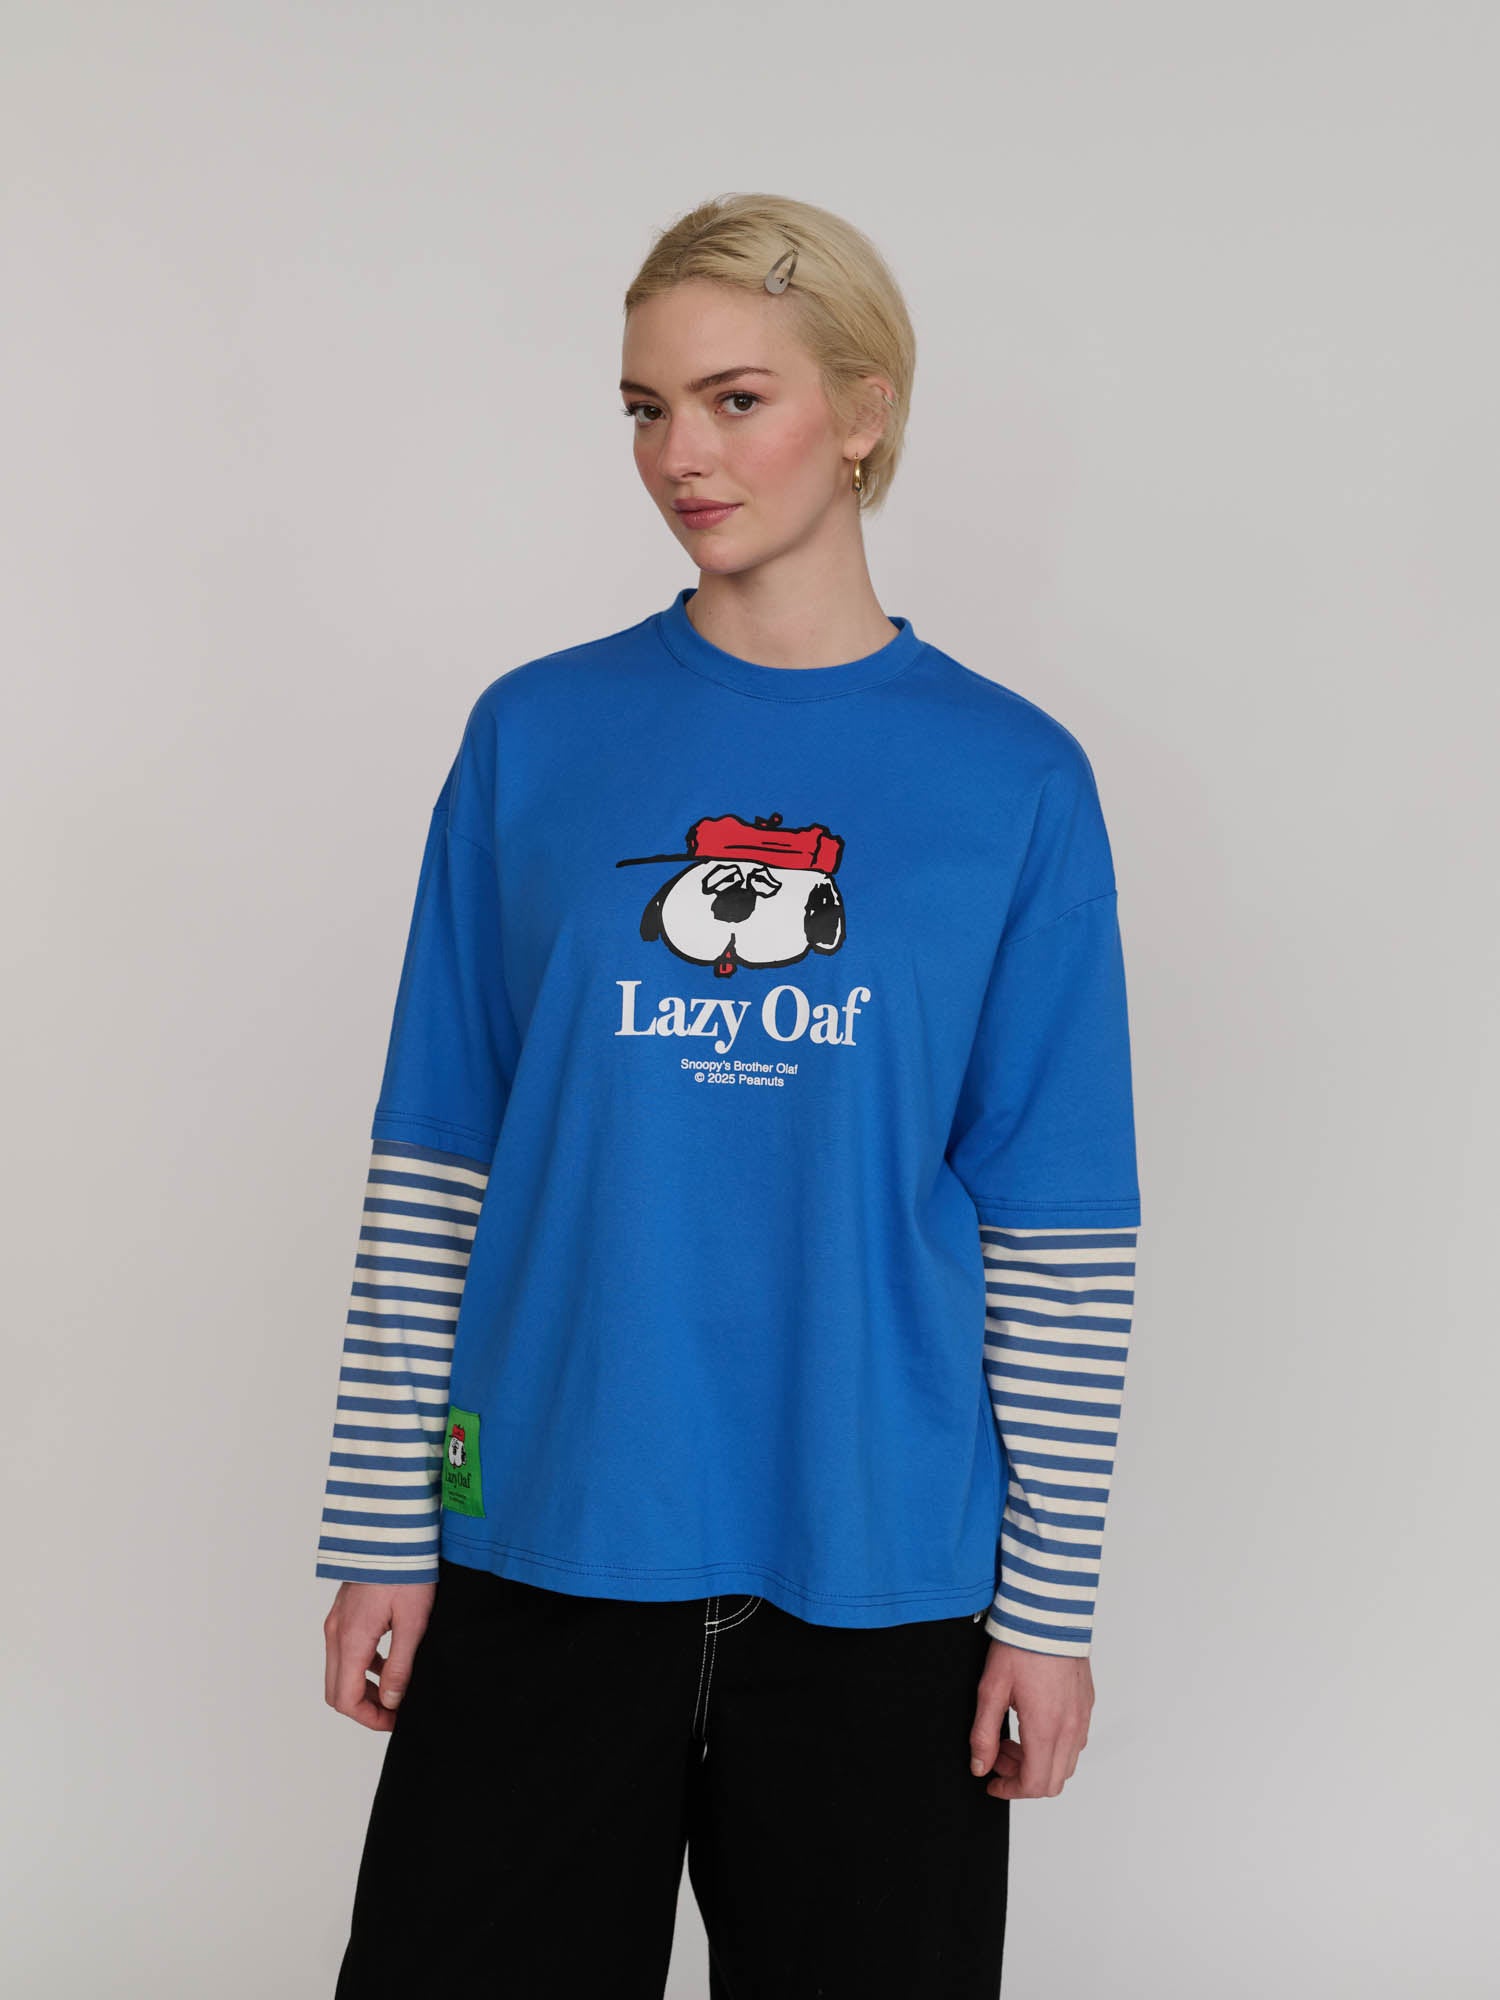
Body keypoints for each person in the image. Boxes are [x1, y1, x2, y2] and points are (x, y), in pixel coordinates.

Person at [315, 192, 1141, 1998]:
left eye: (735, 400)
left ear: (862, 411)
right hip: (547, 1542)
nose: (678, 455)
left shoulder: (1015, 780)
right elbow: (437, 1155)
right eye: (645, 407)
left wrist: (1048, 1609)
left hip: (884, 1577)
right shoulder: (535, 735)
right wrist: (382, 1525)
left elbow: (1060, 1228)